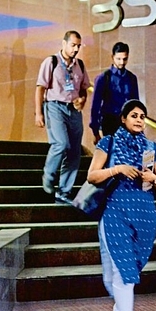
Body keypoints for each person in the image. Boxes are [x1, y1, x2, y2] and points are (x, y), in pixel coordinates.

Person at [86, 99, 156, 311]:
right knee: (123, 272)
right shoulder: (109, 143)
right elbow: (92, 176)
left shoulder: (151, 148)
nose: (139, 120)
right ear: (123, 118)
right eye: (134, 115)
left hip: (143, 217)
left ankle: (119, 307)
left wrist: (154, 178)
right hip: (115, 213)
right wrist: (117, 169)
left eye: (142, 116)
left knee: (121, 273)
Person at [35, 30, 90, 204]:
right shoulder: (51, 62)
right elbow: (40, 88)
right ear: (64, 43)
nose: (75, 49)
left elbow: (84, 89)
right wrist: (38, 113)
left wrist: (82, 100)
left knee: (74, 151)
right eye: (73, 45)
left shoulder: (79, 65)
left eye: (78, 46)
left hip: (73, 111)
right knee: (61, 143)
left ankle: (64, 191)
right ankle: (49, 176)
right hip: (54, 106)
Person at [89, 42, 139, 144]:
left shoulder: (132, 78)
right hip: (109, 121)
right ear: (112, 57)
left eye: (125, 59)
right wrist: (95, 131)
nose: (122, 62)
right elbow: (95, 105)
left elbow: (135, 104)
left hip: (126, 122)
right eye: (118, 59)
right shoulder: (103, 78)